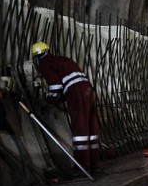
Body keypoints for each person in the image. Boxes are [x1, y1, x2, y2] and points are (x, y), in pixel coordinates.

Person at [31, 42, 99, 176]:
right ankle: (93, 165)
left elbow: (55, 86)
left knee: (80, 130)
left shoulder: (45, 63)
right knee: (91, 128)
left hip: (76, 93)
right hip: (89, 91)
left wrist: (49, 100)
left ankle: (81, 168)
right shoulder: (63, 59)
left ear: (36, 56)